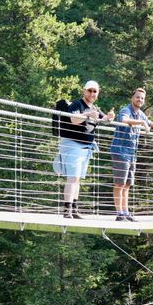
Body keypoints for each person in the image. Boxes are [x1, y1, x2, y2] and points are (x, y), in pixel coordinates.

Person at [54, 80, 114, 218]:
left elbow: (103, 118)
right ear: (84, 91)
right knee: (73, 178)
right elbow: (74, 120)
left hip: (85, 147)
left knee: (77, 179)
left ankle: (74, 209)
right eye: (90, 90)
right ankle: (67, 210)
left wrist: (109, 117)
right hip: (73, 145)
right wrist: (88, 115)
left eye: (95, 91)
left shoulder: (94, 107)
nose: (92, 93)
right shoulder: (77, 104)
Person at [110, 88, 153, 221]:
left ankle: (126, 212)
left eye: (142, 98)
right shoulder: (126, 110)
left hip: (131, 153)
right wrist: (141, 123)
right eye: (137, 97)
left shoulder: (140, 114)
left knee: (128, 184)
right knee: (119, 184)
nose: (140, 100)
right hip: (120, 151)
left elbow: (150, 123)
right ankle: (119, 213)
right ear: (132, 98)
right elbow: (123, 120)